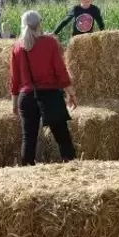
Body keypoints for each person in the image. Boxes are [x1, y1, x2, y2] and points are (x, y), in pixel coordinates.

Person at [11, 10, 77, 166]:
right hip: (50, 96)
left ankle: (26, 172)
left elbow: (15, 79)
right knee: (62, 137)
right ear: (39, 24)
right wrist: (71, 93)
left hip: (26, 97)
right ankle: (72, 169)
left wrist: (14, 103)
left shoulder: (17, 47)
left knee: (29, 138)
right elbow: (60, 71)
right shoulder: (50, 42)